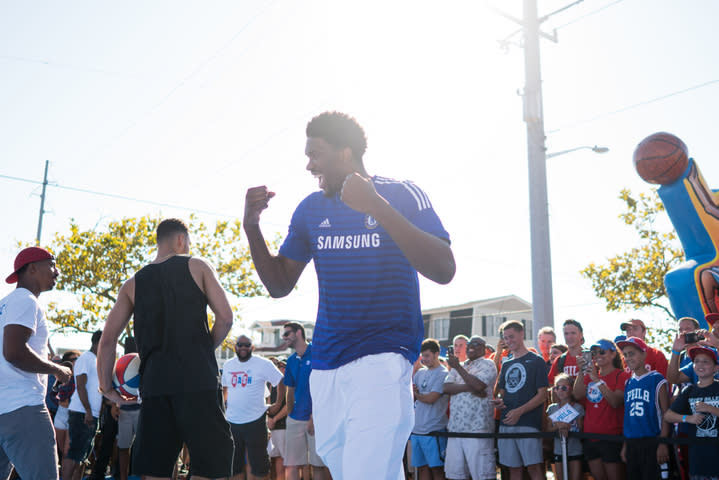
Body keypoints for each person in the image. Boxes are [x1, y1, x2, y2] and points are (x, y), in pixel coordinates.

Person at [244, 111, 455, 479]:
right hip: (326, 369)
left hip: (383, 359)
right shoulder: (311, 208)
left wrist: (375, 206)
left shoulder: (400, 193)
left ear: (345, 153)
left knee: (365, 473)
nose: (309, 166)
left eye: (316, 154)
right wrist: (251, 226)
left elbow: (444, 269)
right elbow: (279, 285)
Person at [96, 218, 235, 480]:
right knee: (209, 469)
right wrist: (203, 350)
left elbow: (107, 339)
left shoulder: (132, 283)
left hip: (155, 386)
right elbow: (226, 318)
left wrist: (108, 390)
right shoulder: (197, 265)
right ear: (181, 239)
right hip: (199, 382)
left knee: (155, 471)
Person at [0, 247, 72, 480]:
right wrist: (57, 369)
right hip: (23, 409)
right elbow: (14, 351)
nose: (57, 271)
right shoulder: (26, 299)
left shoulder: (5, 303)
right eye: (52, 264)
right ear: (32, 268)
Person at [222, 335, 284, 480]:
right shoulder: (228, 365)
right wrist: (223, 410)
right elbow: (225, 389)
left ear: (252, 347)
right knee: (234, 466)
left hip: (255, 421)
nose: (243, 347)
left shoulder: (263, 364)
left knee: (259, 467)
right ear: (235, 347)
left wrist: (277, 405)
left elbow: (280, 381)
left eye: (247, 345)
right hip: (232, 422)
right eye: (240, 344)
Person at [493, 320, 548, 480]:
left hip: (528, 424)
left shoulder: (537, 360)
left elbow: (543, 395)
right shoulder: (506, 363)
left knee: (534, 469)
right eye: (506, 338)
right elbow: (501, 393)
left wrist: (519, 411)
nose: (509, 341)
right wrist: (499, 401)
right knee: (513, 470)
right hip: (506, 423)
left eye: (512, 336)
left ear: (522, 334)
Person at [573, 339, 630, 480]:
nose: (598, 355)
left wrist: (596, 379)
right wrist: (581, 373)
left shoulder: (621, 376)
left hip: (611, 437)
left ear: (613, 354)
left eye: (602, 351)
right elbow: (577, 395)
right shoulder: (589, 375)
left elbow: (615, 402)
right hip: (590, 437)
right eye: (594, 352)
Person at [443, 336, 496, 480]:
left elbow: (479, 386)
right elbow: (446, 387)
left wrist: (459, 369)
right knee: (455, 475)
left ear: (484, 348)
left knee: (482, 475)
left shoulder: (487, 364)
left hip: (477, 429)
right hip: (456, 429)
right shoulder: (459, 365)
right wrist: (471, 386)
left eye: (477, 344)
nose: (472, 346)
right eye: (470, 344)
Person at [280, 323, 329, 480]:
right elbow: (290, 390)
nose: (284, 337)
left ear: (299, 332)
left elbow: (325, 388)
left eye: (287, 334)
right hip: (295, 419)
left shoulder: (318, 353)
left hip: (318, 419)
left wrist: (314, 417)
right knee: (292, 465)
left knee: (318, 465)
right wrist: (290, 416)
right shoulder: (291, 360)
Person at [617, 337, 670, 480]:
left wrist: (663, 443)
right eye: (625, 354)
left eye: (632, 353)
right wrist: (625, 445)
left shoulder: (656, 379)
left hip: (652, 441)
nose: (628, 358)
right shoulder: (628, 382)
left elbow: (666, 413)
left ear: (644, 354)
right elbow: (628, 417)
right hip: (632, 443)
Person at [664, 346, 719, 479]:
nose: (700, 364)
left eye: (705, 361)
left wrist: (711, 409)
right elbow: (668, 416)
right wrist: (688, 418)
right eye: (697, 361)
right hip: (697, 461)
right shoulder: (689, 391)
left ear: (716, 368)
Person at [62, 329, 105, 480]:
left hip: (90, 413)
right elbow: (80, 386)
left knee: (82, 455)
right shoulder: (85, 359)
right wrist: (87, 410)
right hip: (82, 413)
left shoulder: (96, 360)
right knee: (75, 452)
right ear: (99, 341)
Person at [410, 339, 449, 480]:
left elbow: (432, 398)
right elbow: (414, 398)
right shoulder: (419, 373)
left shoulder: (443, 374)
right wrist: (414, 394)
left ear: (436, 354)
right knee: (422, 469)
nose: (424, 359)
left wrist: (416, 394)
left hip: (434, 430)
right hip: (417, 430)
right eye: (423, 356)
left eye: (427, 355)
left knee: (437, 470)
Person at [545, 373, 584, 480]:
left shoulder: (578, 407)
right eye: (557, 388)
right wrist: (558, 426)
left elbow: (580, 429)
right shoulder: (552, 408)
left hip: (575, 449)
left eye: (564, 388)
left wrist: (569, 427)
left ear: (571, 389)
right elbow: (547, 429)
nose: (560, 391)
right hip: (558, 450)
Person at [548, 319, 585, 384]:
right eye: (566, 333)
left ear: (581, 335)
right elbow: (551, 384)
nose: (569, 337)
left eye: (573, 333)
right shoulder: (559, 361)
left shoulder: (590, 357)